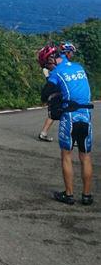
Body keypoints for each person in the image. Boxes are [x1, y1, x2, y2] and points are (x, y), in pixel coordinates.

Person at [37, 44, 94, 206]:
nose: (47, 68)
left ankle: (69, 195)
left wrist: (50, 79)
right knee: (85, 156)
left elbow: (44, 95)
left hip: (70, 116)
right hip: (86, 115)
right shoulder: (79, 67)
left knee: (66, 155)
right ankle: (87, 196)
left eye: (46, 65)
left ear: (51, 60)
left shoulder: (56, 73)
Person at [38, 42, 78, 142]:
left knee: (56, 112)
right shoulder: (63, 63)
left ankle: (44, 133)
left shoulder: (61, 63)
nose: (72, 55)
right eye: (72, 52)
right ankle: (73, 137)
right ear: (67, 52)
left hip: (59, 90)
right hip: (60, 91)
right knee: (65, 112)